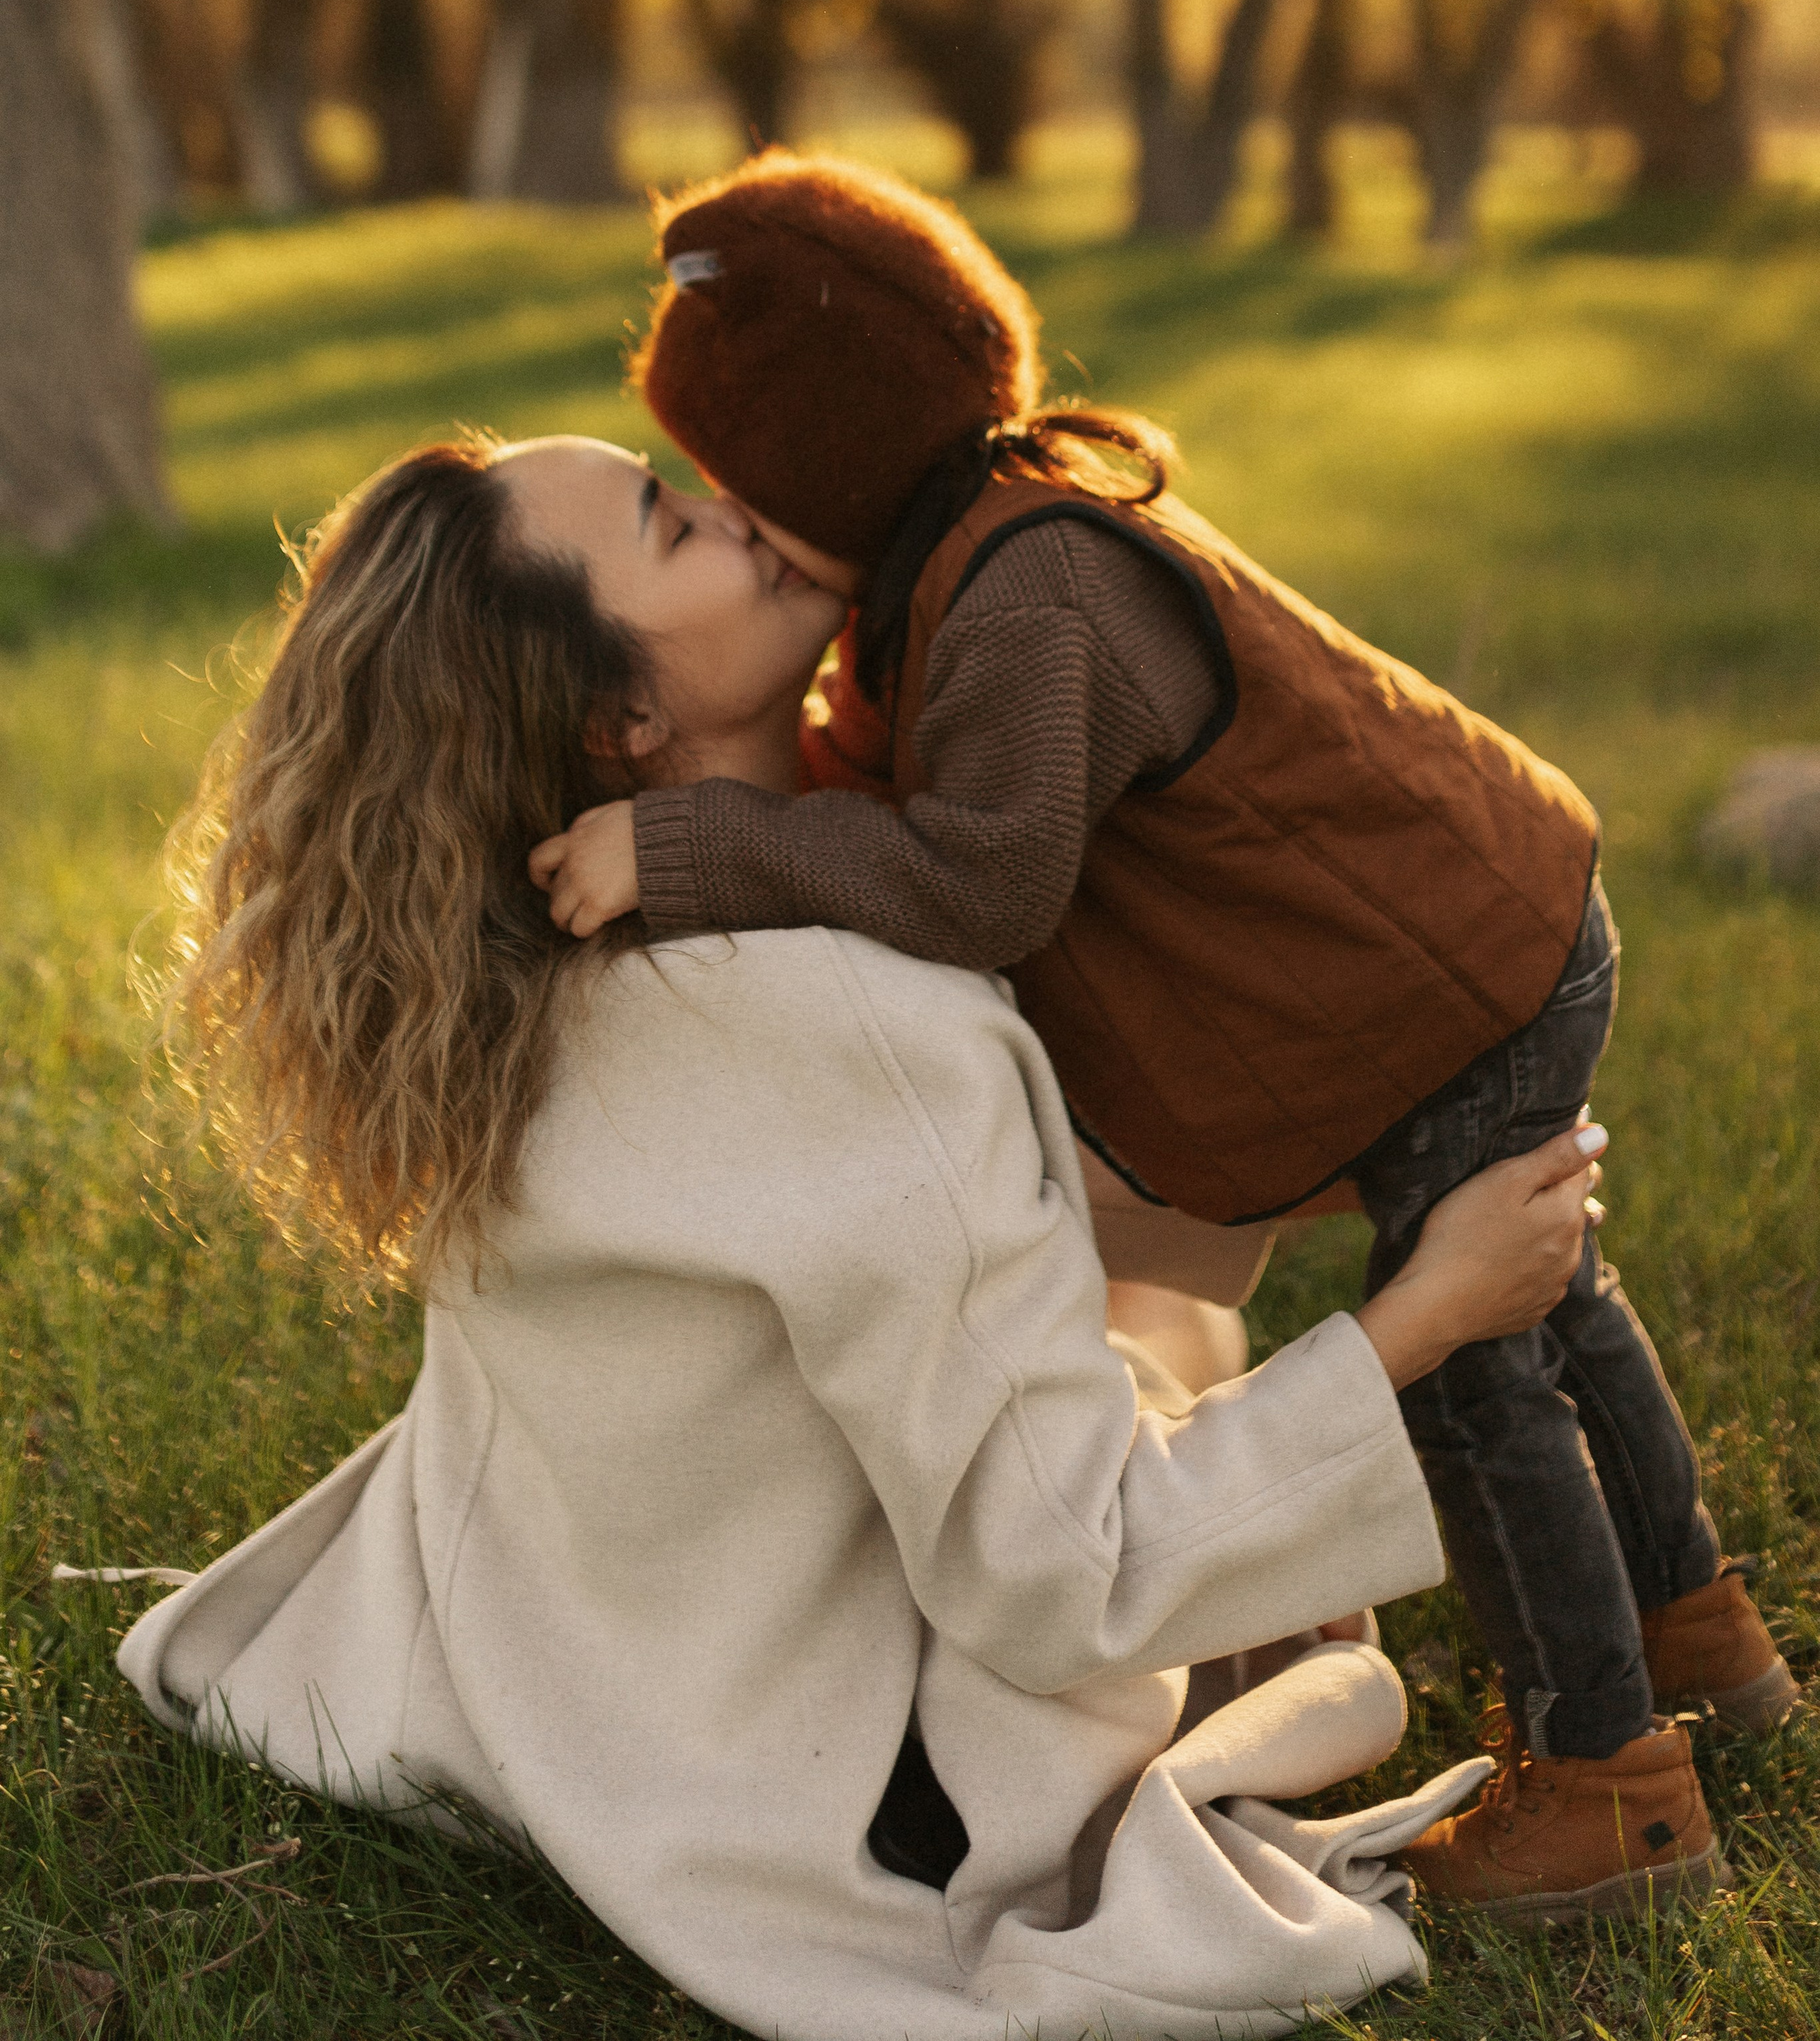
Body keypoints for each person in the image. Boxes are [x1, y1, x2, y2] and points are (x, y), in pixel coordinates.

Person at [118, 435, 1627, 2041]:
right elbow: (1058, 1576)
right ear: (622, 721)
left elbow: (870, 1226)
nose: (743, 509)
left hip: (587, 1679)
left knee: (1164, 1330)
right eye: (669, 523)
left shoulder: (534, 978)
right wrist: (1431, 1310)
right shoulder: (856, 1026)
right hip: (828, 1773)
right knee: (1181, 1394)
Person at [529, 151, 1798, 1916]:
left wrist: (686, 843)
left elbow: (977, 884)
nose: (731, 525)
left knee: (1479, 1361)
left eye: (740, 491)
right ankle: (1703, 1638)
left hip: (1449, 965)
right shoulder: (947, 572)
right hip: (1460, 938)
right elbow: (873, 781)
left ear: (831, 461)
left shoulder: (1029, 596)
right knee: (1562, 1310)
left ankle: (1604, 1782)